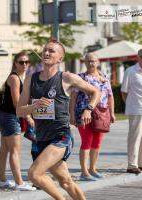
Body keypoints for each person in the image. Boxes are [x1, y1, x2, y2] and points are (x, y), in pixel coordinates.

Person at [16, 38, 100, 200]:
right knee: (66, 181)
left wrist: (88, 110)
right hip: (41, 138)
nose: (46, 53)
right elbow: (20, 110)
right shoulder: (31, 79)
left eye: (51, 51)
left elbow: (95, 92)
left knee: (34, 174)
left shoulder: (67, 78)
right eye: (45, 50)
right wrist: (35, 106)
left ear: (60, 59)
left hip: (61, 136)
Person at [69, 53, 116, 181]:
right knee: (86, 141)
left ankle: (92, 169)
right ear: (84, 63)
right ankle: (84, 172)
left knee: (97, 142)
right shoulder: (80, 78)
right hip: (83, 113)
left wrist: (112, 113)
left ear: (98, 62)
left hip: (101, 114)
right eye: (88, 61)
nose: (91, 63)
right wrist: (72, 114)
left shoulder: (104, 77)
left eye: (93, 61)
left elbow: (110, 96)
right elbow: (73, 97)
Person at [0, 51, 36, 191]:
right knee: (14, 151)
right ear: (15, 63)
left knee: (5, 149)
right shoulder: (14, 78)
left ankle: (2, 181)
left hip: (6, 116)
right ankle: (19, 183)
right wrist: (28, 116)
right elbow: (16, 102)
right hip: (10, 117)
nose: (24, 64)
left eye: (27, 62)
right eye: (21, 62)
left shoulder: (19, 77)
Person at [121, 48, 142, 174]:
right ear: (137, 57)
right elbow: (124, 92)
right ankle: (132, 164)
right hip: (136, 109)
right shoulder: (130, 71)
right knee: (134, 138)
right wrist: (131, 105)